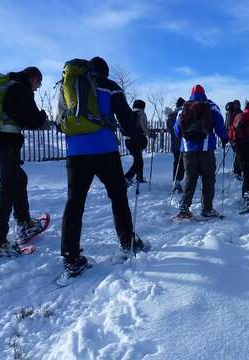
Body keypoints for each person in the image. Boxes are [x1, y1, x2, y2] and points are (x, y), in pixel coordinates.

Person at [60, 56, 148, 276]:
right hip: (105, 149)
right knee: (118, 196)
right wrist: (139, 139)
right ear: (105, 72)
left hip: (76, 152)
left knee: (74, 203)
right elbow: (126, 118)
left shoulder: (66, 86)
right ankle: (127, 240)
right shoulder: (110, 87)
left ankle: (71, 257)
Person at [0, 66, 47, 259]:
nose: (37, 88)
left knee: (19, 179)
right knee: (6, 190)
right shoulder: (20, 87)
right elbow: (30, 119)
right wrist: (42, 117)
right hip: (5, 144)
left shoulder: (1, 88)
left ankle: (24, 223)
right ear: (33, 77)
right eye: (38, 84)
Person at [174, 84, 228, 219]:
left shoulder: (183, 108)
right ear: (204, 93)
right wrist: (224, 138)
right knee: (208, 178)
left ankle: (184, 208)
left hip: (188, 150)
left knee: (190, 178)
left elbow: (176, 130)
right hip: (206, 149)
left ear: (191, 94)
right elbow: (219, 126)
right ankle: (207, 209)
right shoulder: (211, 106)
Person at [124, 99, 150, 185]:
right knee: (138, 160)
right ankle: (127, 177)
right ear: (142, 107)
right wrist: (150, 134)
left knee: (138, 159)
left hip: (127, 140)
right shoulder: (141, 114)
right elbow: (144, 127)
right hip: (137, 140)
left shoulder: (128, 114)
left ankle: (139, 177)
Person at [166, 97, 186, 193]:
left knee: (177, 162)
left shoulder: (171, 116)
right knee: (182, 163)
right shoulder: (183, 114)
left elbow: (170, 130)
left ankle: (176, 181)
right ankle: (178, 181)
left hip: (175, 144)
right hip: (183, 144)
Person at [225, 100, 243, 181]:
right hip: (238, 136)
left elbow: (226, 125)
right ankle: (238, 171)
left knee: (236, 152)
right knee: (239, 153)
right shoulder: (239, 113)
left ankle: (237, 170)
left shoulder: (229, 113)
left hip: (230, 136)